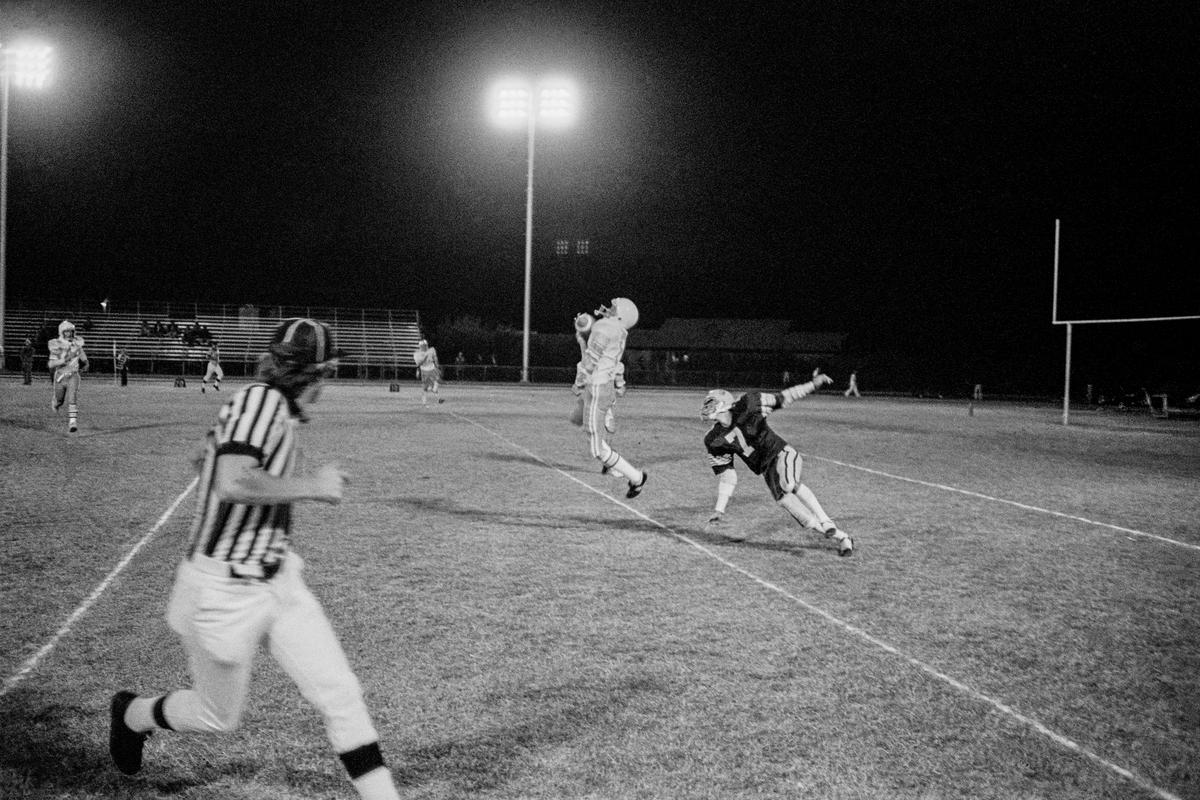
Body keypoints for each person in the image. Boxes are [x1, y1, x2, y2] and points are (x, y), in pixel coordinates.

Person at [108, 317, 403, 800]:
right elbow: (231, 479)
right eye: (326, 374)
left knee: (341, 694)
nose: (327, 387)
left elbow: (205, 460)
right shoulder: (260, 402)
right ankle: (131, 714)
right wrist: (312, 486)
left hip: (277, 578)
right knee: (217, 716)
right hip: (223, 589)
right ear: (311, 374)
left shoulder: (267, 406)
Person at [700, 372, 852, 556]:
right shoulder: (713, 439)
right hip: (767, 470)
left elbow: (784, 398)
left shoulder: (749, 404)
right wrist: (719, 510)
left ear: (724, 405)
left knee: (788, 483)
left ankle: (826, 520)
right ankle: (842, 537)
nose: (707, 407)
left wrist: (813, 384)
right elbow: (728, 476)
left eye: (712, 402)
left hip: (782, 453)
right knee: (797, 512)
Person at [569, 298, 647, 498]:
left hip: (598, 387)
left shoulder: (606, 327)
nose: (609, 309)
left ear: (621, 314)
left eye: (614, 308)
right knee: (584, 426)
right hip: (603, 388)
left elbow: (591, 359)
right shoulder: (615, 329)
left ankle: (636, 478)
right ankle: (619, 468)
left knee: (597, 449)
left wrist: (578, 382)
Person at [47, 320, 89, 433]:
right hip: (60, 376)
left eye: (70, 331)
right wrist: (65, 359)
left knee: (72, 397)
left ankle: (72, 422)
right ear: (62, 332)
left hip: (73, 375)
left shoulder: (76, 343)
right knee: (60, 400)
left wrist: (86, 362)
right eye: (66, 332)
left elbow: (80, 352)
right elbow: (51, 364)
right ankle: (56, 403)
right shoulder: (56, 344)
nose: (69, 334)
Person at [412, 338, 443, 405]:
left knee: (437, 382)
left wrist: (437, 366)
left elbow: (435, 358)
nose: (425, 346)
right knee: (425, 387)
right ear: (420, 346)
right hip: (424, 370)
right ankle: (424, 402)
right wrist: (424, 358)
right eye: (424, 345)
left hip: (432, 368)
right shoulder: (417, 353)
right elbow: (418, 363)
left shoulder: (431, 350)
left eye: (426, 345)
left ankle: (438, 398)